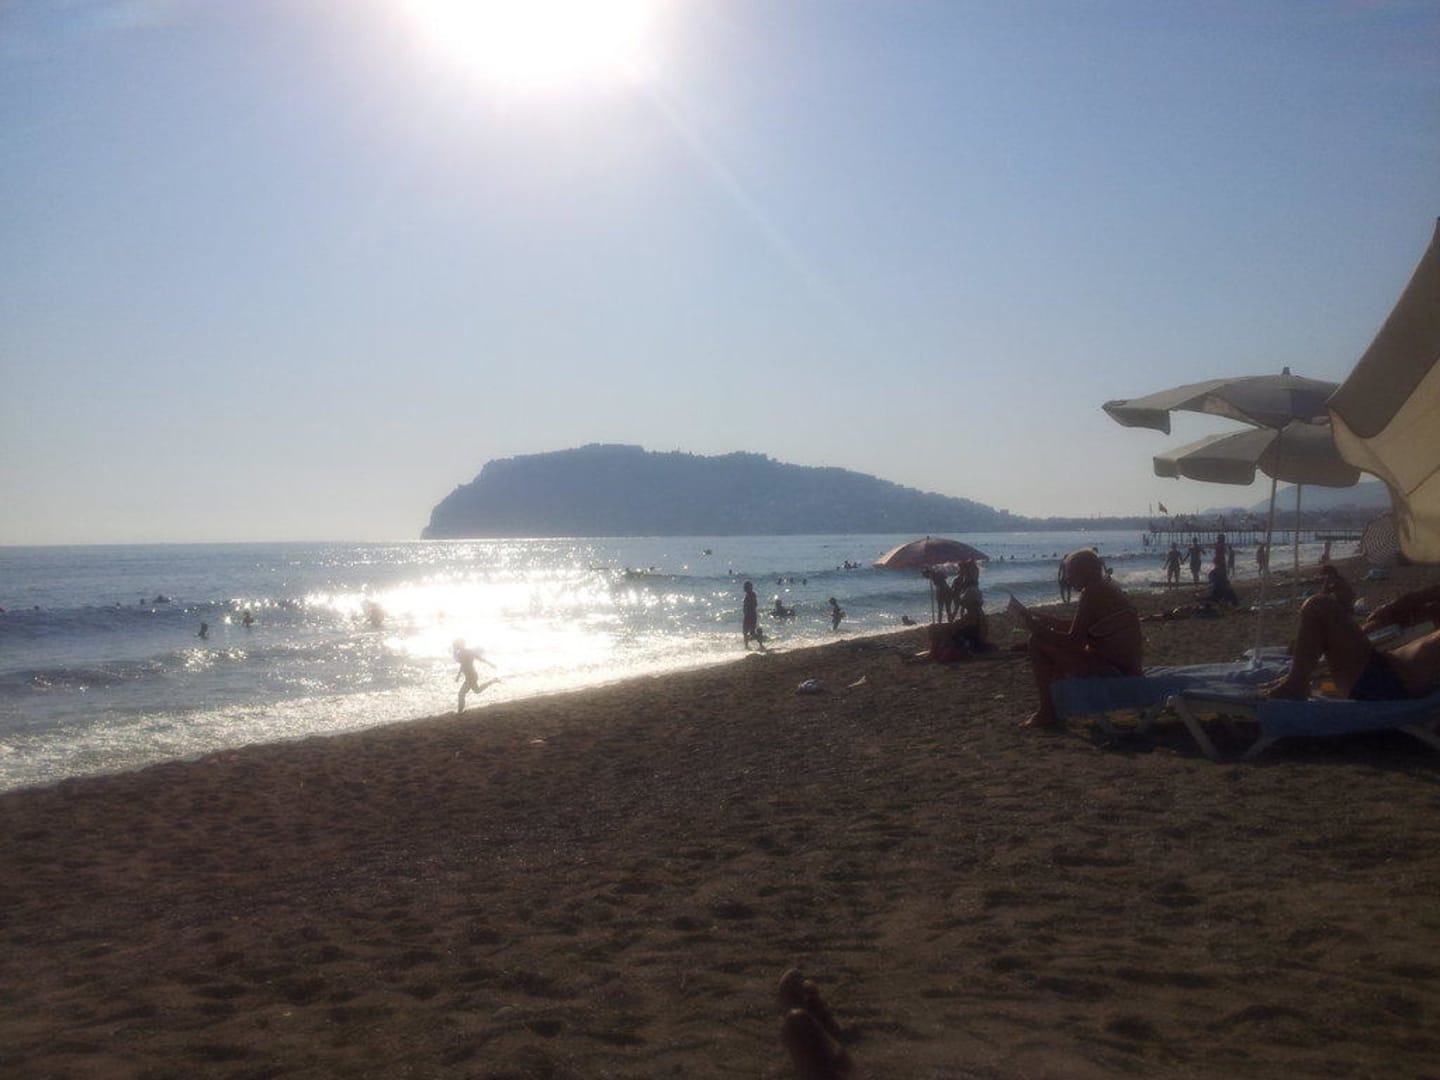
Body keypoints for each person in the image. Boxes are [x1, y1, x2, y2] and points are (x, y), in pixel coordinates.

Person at [1011, 548, 1143, 729]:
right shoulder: (1105, 588)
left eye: (1070, 573)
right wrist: (1051, 622)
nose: (1067, 579)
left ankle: (1048, 711)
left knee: (1037, 642)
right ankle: (1056, 706)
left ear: (1085, 572)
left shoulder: (1092, 593)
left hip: (1116, 672)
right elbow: (1089, 628)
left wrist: (1037, 628)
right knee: (1045, 639)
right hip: (1126, 667)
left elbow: (1074, 641)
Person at [1264, 569, 1440, 702]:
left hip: (1382, 682)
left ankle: (1295, 685)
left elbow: (1405, 604)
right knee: (1322, 610)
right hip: (1383, 671)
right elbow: (1398, 609)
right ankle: (1297, 679)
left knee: (1318, 605)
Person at [453, 639, 497, 714]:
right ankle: (493, 681)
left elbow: (479, 658)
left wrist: (490, 664)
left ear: (461, 644)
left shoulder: (467, 652)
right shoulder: (461, 653)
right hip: (470, 676)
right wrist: (458, 675)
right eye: (455, 645)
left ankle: (460, 712)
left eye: (456, 644)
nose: (455, 646)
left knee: (461, 694)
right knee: (477, 691)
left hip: (471, 676)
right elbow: (462, 665)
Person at [742, 581, 765, 650]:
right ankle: (746, 646)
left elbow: (755, 605)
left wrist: (748, 611)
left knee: (750, 632)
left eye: (746, 587)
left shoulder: (752, 594)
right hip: (748, 615)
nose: (744, 588)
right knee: (745, 631)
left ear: (750, 587)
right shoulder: (748, 595)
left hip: (750, 616)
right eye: (744, 587)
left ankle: (760, 643)